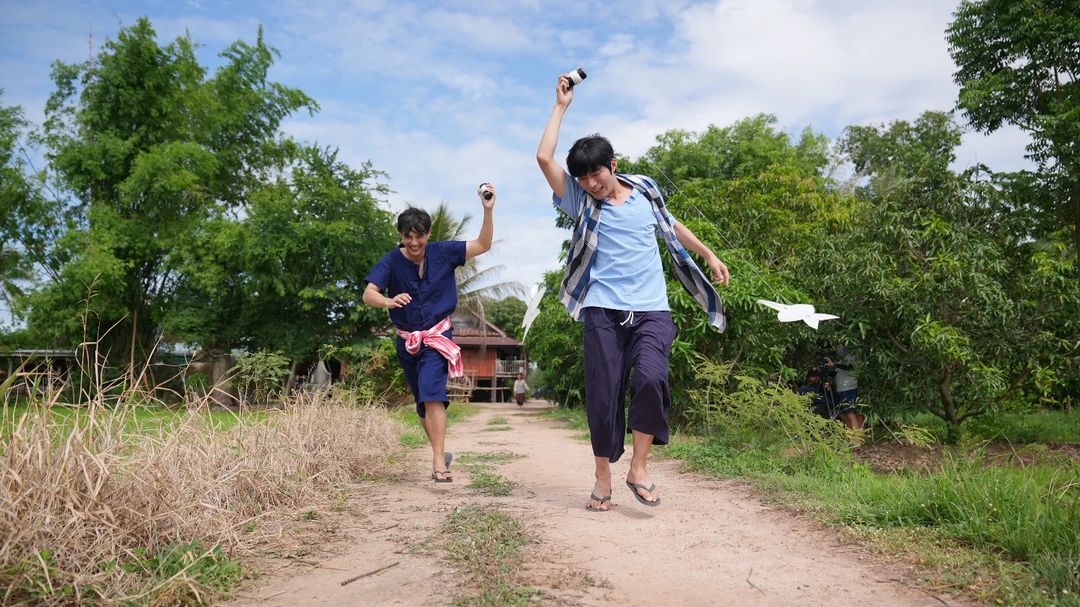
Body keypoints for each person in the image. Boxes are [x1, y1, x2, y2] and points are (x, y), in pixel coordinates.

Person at [536, 73, 730, 511]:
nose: (591, 182)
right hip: (603, 312)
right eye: (583, 177)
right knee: (604, 395)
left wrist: (710, 254)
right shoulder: (581, 202)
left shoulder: (645, 190)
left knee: (651, 379)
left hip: (652, 311)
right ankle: (602, 476)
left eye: (597, 173)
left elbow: (671, 225)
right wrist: (560, 107)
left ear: (614, 165)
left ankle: (638, 468)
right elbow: (543, 157)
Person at [363, 184, 497, 482]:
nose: (414, 242)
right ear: (401, 235)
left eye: (419, 236)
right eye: (408, 236)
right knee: (422, 403)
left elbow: (483, 244)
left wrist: (487, 211)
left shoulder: (443, 252)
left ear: (429, 233)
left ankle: (438, 462)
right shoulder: (391, 260)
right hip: (407, 341)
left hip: (438, 337)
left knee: (433, 394)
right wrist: (387, 300)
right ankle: (441, 451)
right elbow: (368, 294)